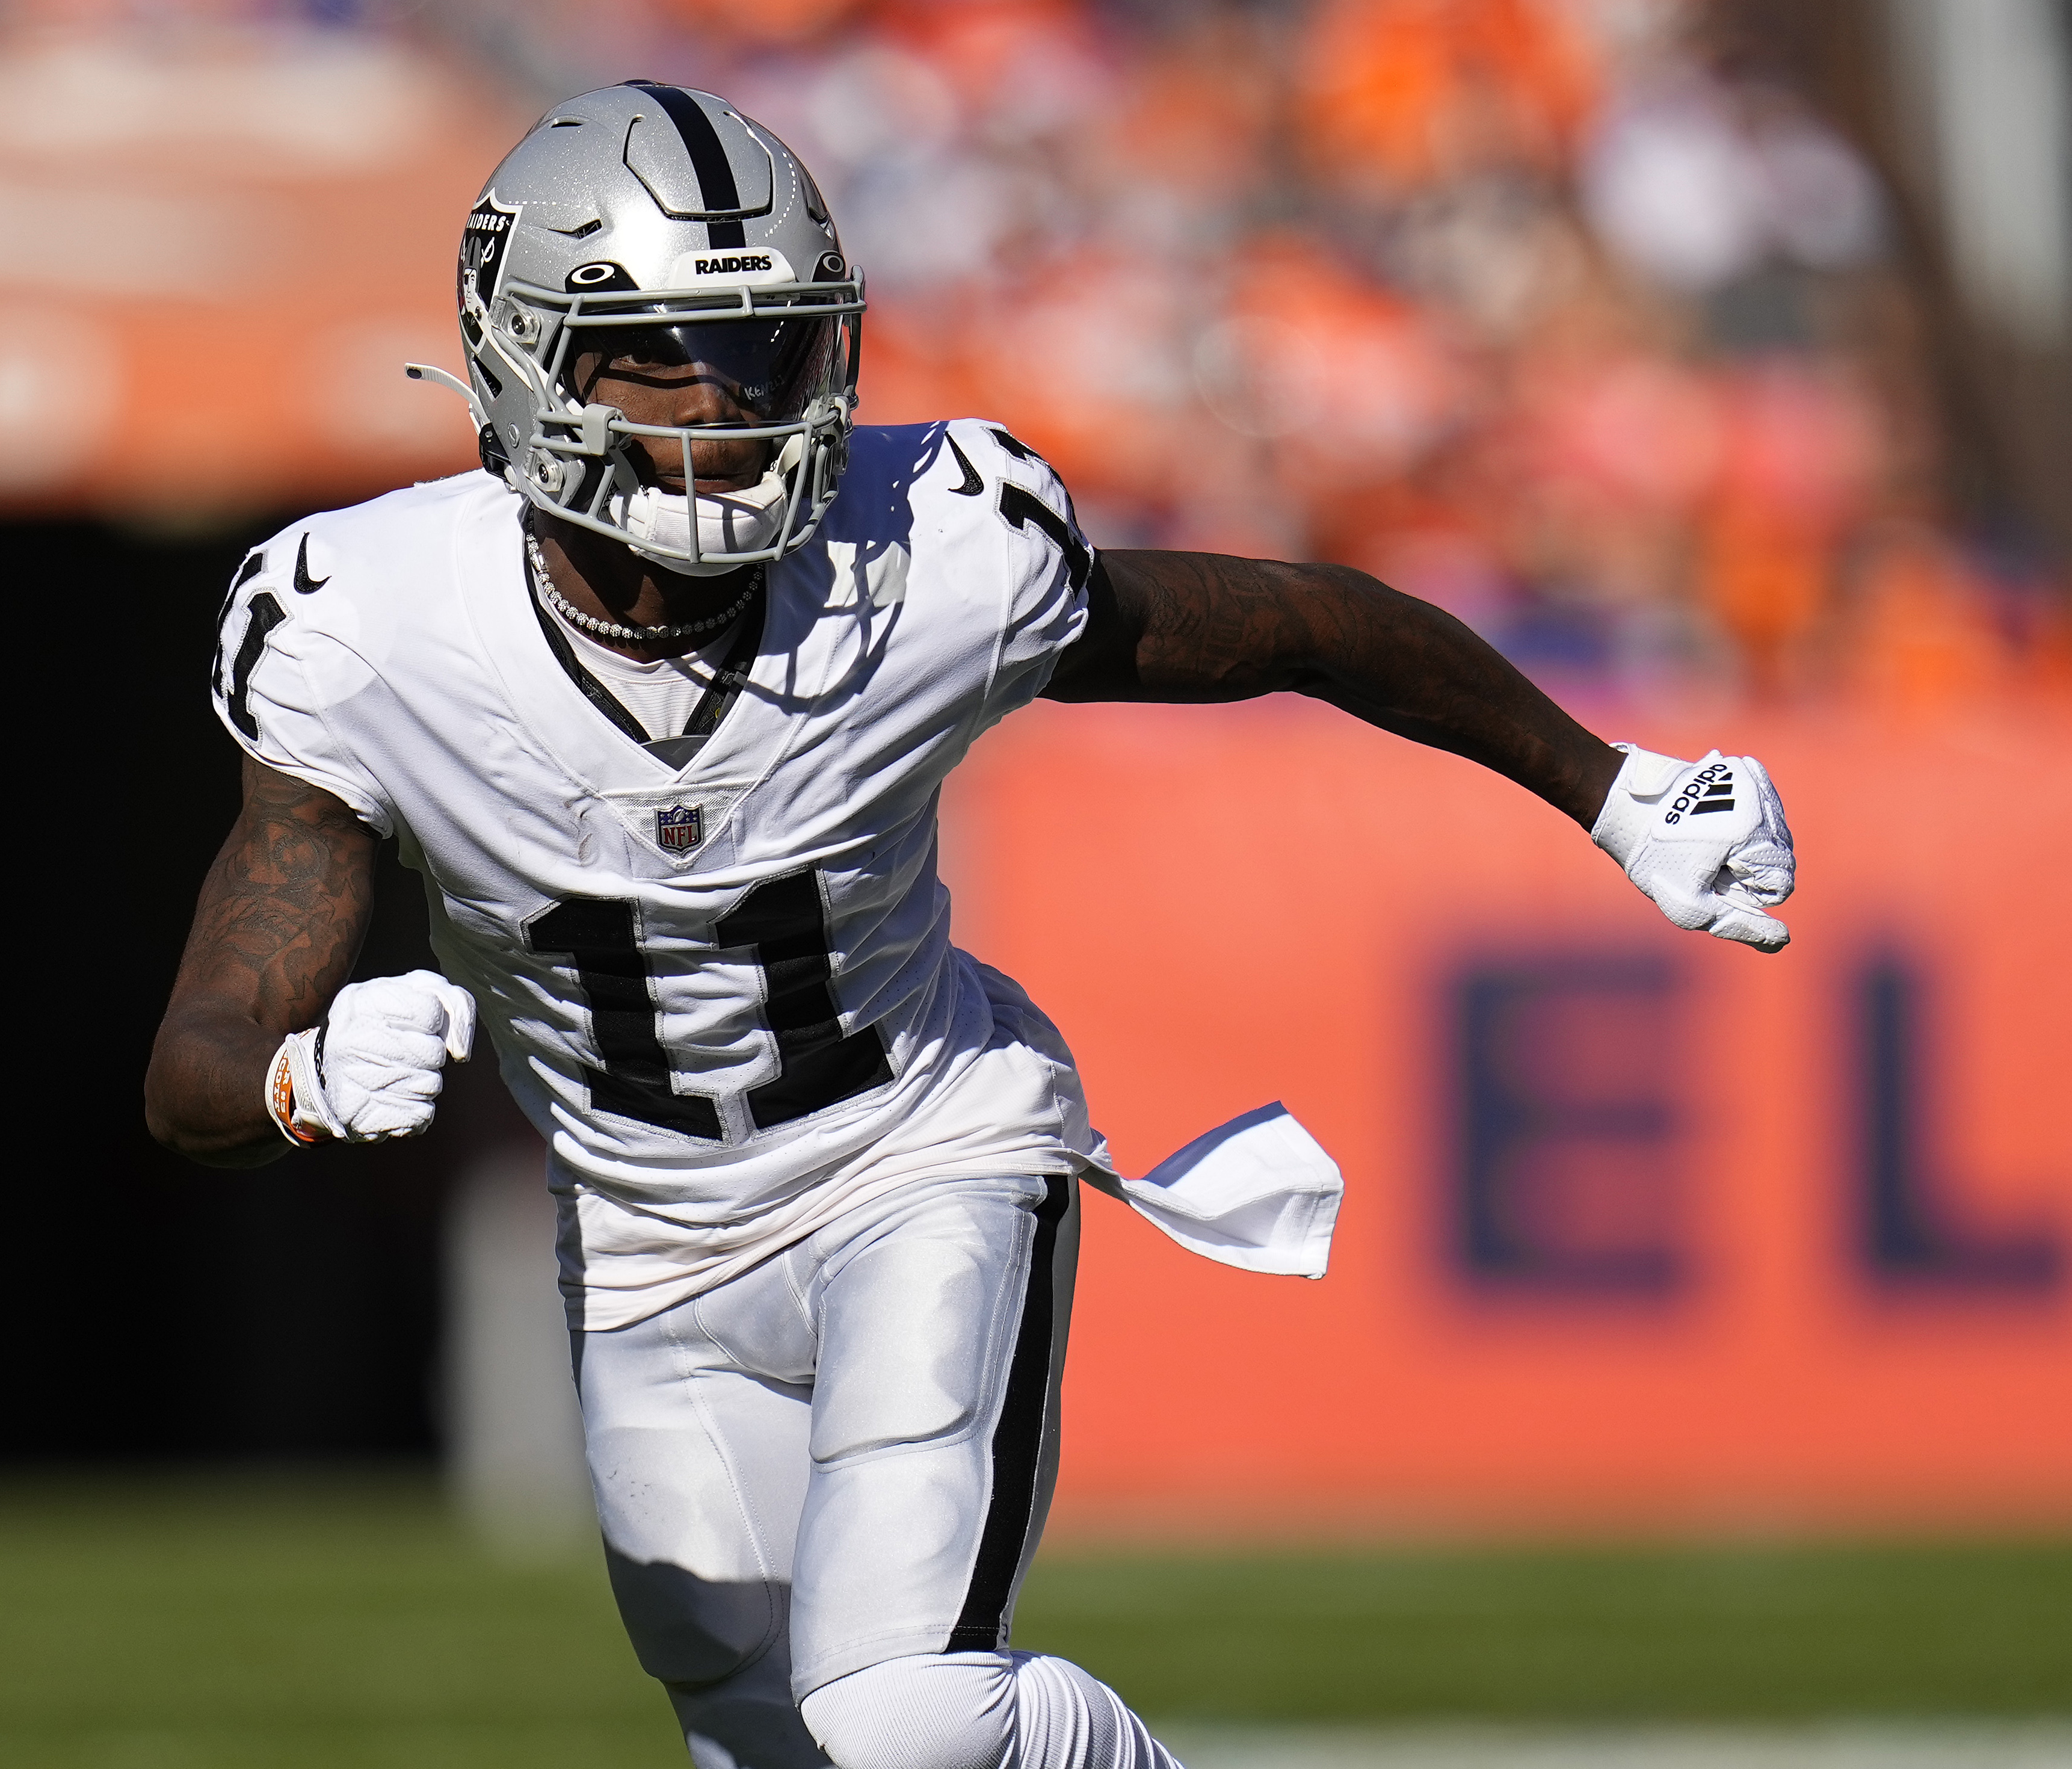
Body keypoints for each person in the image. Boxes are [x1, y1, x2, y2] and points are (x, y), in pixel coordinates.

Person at [144, 82, 1795, 1769]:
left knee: (903, 1717)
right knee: (774, 1744)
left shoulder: (928, 548)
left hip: (911, 1157)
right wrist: (292, 1077)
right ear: (529, 359)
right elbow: (194, 1057)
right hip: (645, 1246)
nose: (728, 403)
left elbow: (1300, 623)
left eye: (766, 350)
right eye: (661, 352)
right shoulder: (367, 630)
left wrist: (1612, 786)